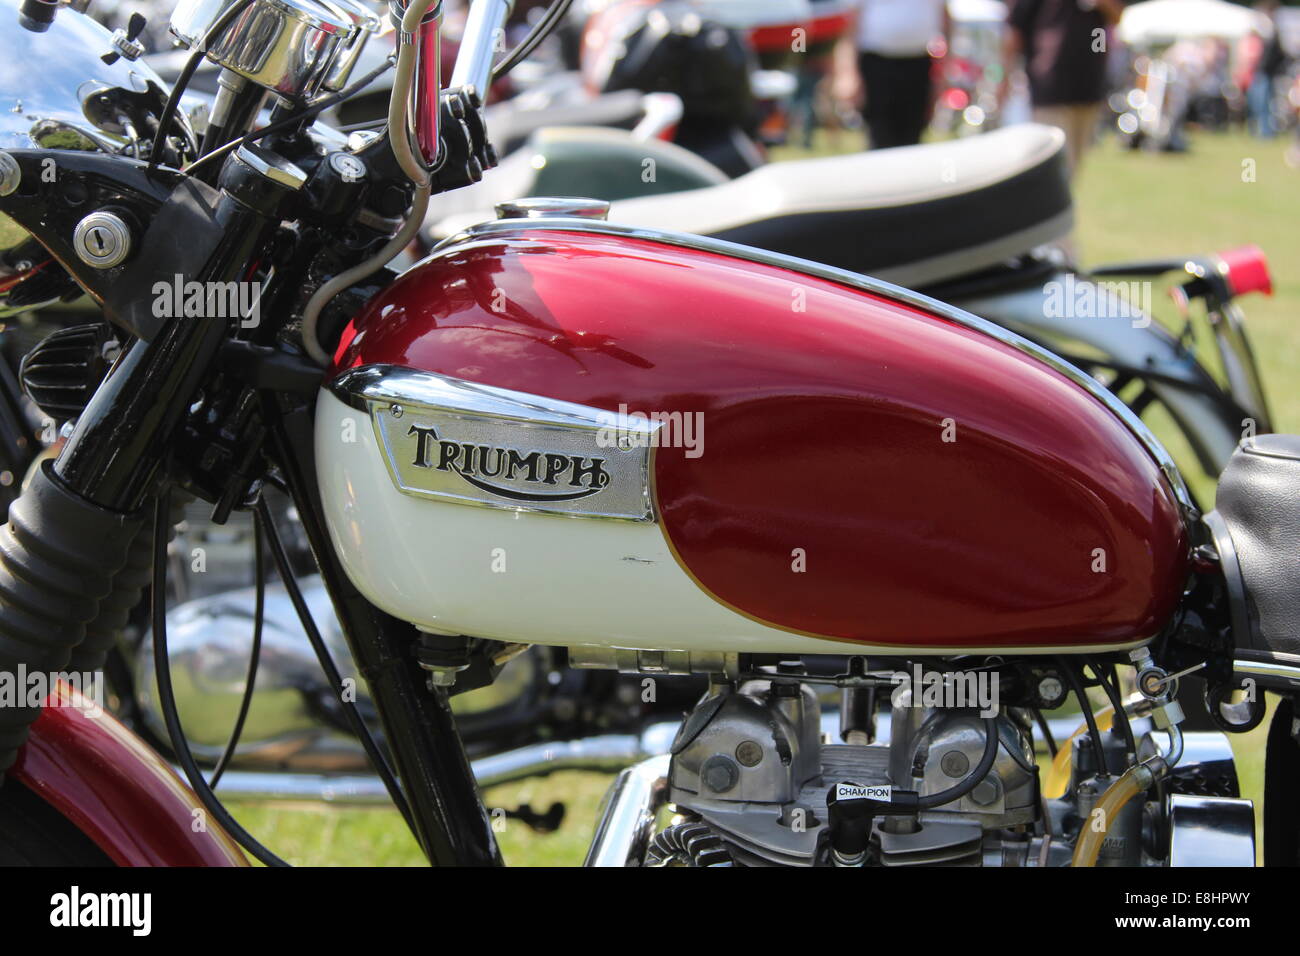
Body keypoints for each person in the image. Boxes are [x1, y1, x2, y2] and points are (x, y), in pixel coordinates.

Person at [1002, 0, 1126, 176]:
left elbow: (1118, 16)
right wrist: (1005, 78)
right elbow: (1015, 31)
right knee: (1053, 169)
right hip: (1050, 86)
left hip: (1089, 86)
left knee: (1072, 168)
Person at [849, 0, 949, 149]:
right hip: (876, 62)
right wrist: (849, 72)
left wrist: (946, 68)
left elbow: (945, 20)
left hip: (918, 61)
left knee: (912, 127)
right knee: (880, 128)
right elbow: (852, 25)